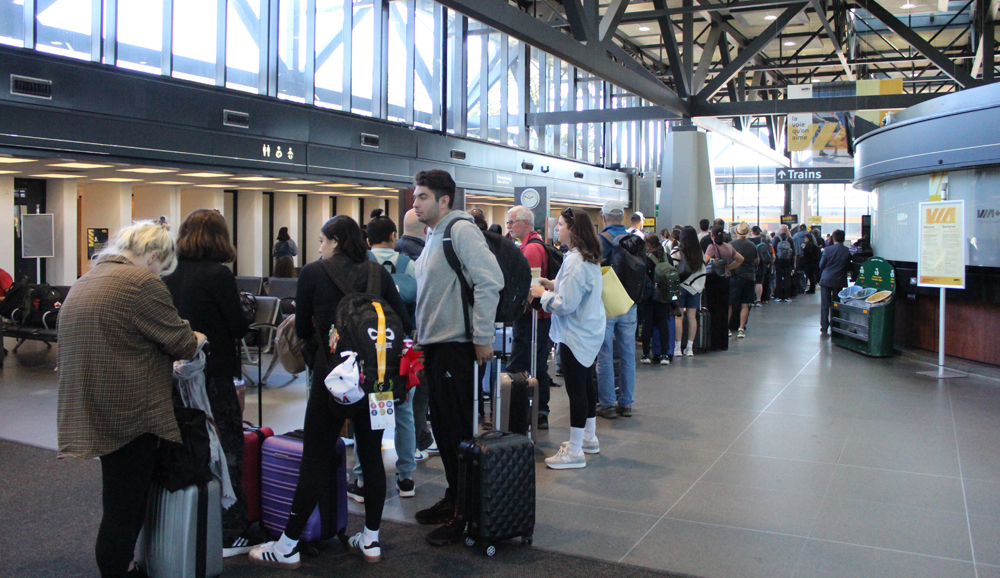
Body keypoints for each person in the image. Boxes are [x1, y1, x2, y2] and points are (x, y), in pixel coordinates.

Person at [249, 215, 414, 568]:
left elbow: (305, 324)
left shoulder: (313, 272)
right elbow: (404, 321)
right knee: (371, 456)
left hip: (333, 377)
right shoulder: (377, 273)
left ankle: (287, 544)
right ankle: (370, 539)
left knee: (316, 455)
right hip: (374, 380)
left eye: (323, 240)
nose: (320, 246)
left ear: (336, 240)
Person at [57, 221, 205, 578]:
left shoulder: (88, 278)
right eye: (162, 266)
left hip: (92, 405)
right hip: (130, 411)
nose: (160, 273)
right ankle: (116, 571)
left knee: (119, 500)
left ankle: (122, 566)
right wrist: (198, 336)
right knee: (124, 508)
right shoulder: (141, 282)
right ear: (153, 256)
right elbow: (181, 342)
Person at [409, 170, 503, 546]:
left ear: (444, 200)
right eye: (415, 197)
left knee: (457, 432)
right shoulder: (433, 235)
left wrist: (482, 336)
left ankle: (466, 511)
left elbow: (489, 280)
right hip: (437, 345)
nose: (415, 203)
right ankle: (454, 499)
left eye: (422, 197)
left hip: (457, 347)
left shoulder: (460, 230)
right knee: (446, 431)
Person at [163, 209, 256, 557]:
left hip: (174, 374)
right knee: (226, 447)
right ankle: (230, 530)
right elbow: (236, 326)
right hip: (213, 375)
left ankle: (192, 520)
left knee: (187, 447)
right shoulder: (219, 275)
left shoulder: (169, 274)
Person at [345, 209, 419, 503]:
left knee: (368, 411)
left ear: (367, 239)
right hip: (400, 346)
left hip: (369, 348)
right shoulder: (407, 263)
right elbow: (415, 300)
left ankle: (363, 476)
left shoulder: (360, 266)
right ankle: (406, 478)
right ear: (393, 237)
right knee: (403, 411)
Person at [530, 208, 605, 469]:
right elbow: (575, 290)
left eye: (560, 225)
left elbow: (567, 303)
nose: (556, 229)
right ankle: (588, 437)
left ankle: (574, 451)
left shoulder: (575, 260)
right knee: (586, 383)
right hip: (588, 329)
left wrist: (543, 295)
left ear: (573, 229)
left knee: (577, 389)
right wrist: (552, 284)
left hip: (577, 333)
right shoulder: (585, 257)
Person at [505, 205, 553, 430]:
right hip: (538, 316)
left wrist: (520, 309)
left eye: (512, 222)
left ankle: (525, 411)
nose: (509, 227)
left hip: (533, 317)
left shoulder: (532, 249)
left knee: (526, 362)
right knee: (537, 362)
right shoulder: (531, 246)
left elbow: (531, 288)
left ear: (525, 223)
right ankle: (539, 411)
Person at [595, 200, 637, 419]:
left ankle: (607, 403)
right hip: (629, 302)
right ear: (623, 217)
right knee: (628, 354)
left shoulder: (600, 240)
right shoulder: (635, 239)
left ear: (603, 218)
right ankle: (626, 403)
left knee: (605, 353)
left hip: (606, 304)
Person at [704, 227, 744, 348]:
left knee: (713, 310)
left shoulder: (712, 247)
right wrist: (729, 268)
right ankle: (722, 342)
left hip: (713, 282)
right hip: (725, 281)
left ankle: (713, 341)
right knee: (723, 310)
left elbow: (705, 261)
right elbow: (740, 259)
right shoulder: (729, 247)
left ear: (713, 236)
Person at [641, 233, 675, 364]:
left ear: (648, 245)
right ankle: (665, 355)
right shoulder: (667, 257)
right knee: (663, 324)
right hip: (664, 295)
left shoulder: (646, 258)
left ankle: (645, 354)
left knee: (647, 323)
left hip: (650, 296)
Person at [671, 226, 705, 357]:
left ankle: (677, 348)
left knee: (678, 317)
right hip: (695, 288)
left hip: (680, 287)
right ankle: (690, 348)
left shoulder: (677, 251)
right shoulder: (699, 252)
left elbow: (672, 268)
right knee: (692, 317)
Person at [728, 222, 759, 338]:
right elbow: (757, 262)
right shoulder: (752, 245)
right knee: (745, 304)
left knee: (730, 304)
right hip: (749, 277)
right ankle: (741, 328)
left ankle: (728, 328)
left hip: (735, 276)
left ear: (736, 232)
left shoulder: (731, 245)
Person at [818, 229, 852, 334]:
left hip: (826, 279)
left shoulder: (827, 250)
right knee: (837, 303)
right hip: (839, 280)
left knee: (825, 303)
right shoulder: (847, 251)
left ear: (833, 238)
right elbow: (849, 267)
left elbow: (821, 265)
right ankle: (836, 324)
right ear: (844, 238)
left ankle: (824, 326)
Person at [772, 225, 795, 302]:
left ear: (780, 230)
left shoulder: (776, 239)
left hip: (778, 261)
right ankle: (787, 296)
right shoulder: (790, 240)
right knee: (787, 278)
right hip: (788, 261)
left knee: (778, 278)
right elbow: (794, 253)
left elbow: (773, 251)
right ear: (787, 230)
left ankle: (779, 296)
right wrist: (793, 263)